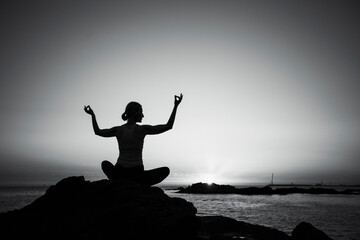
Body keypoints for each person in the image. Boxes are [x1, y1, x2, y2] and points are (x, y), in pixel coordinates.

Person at [84, 94, 183, 186]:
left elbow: (97, 131)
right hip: (137, 173)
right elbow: (168, 126)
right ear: (134, 112)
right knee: (165, 170)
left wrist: (92, 115)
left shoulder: (118, 130)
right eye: (140, 111)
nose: (142, 115)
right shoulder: (142, 129)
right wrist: (176, 106)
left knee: (105, 164)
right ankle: (136, 184)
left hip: (119, 172)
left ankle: (120, 182)